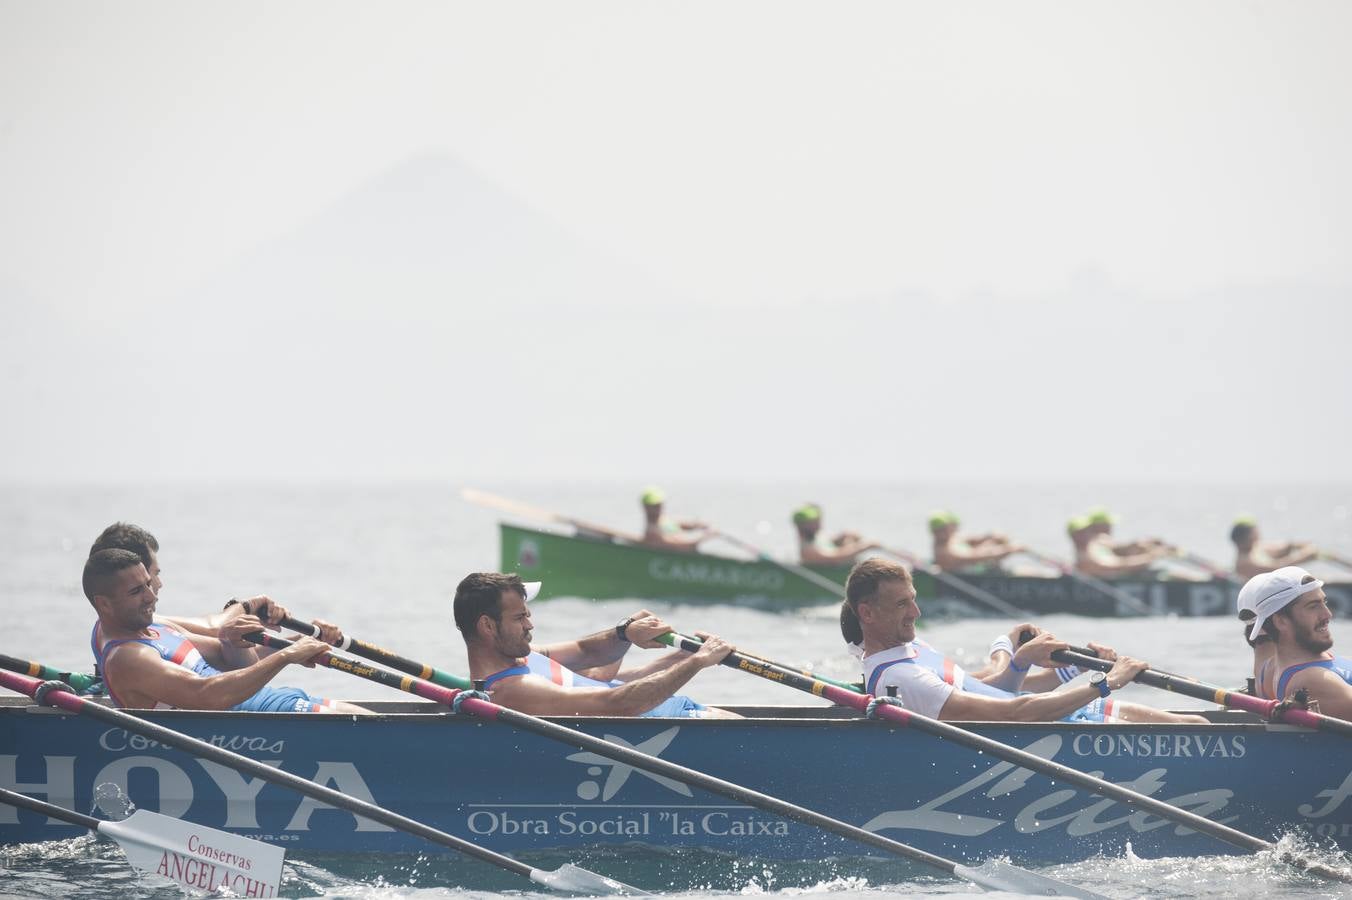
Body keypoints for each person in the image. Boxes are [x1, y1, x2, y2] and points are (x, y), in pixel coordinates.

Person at [839, 557, 1205, 723]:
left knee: (1200, 727)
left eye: (914, 599)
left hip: (1067, 715)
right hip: (1062, 729)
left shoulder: (913, 652)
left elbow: (996, 688)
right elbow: (1015, 713)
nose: (916, 613)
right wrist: (1108, 682)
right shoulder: (903, 679)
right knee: (1199, 731)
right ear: (867, 614)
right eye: (903, 604)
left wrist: (1072, 668)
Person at [84, 549, 367, 713]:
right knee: (377, 730)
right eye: (136, 591)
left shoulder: (155, 627)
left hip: (272, 702)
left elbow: (225, 654)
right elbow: (207, 694)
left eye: (149, 583)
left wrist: (301, 642)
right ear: (104, 604)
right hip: (257, 728)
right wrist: (287, 656)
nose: (151, 596)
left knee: (370, 718)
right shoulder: (127, 658)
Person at [454, 571, 738, 717]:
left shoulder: (524, 658)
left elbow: (589, 655)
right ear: (488, 626)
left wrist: (626, 632)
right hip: (664, 725)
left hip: (669, 709)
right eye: (519, 618)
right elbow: (619, 704)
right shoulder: (514, 691)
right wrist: (697, 663)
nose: (530, 625)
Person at [88, 521, 344, 649]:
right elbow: (215, 631)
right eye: (153, 574)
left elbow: (218, 636)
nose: (158, 584)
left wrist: (305, 640)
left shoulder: (141, 627)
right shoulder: (129, 637)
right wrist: (249, 606)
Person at [1240, 566, 1352, 716]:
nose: (1328, 614)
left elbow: (1262, 643)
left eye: (1324, 602)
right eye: (1313, 607)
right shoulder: (1311, 679)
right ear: (1281, 621)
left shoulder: (1269, 667)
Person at [1069, 515, 1167, 579]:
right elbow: (1116, 566)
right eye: (1088, 530)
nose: (1091, 533)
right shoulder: (1088, 554)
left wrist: (1148, 545)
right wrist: (1149, 557)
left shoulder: (1096, 546)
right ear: (1077, 535)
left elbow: (1123, 548)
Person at [928, 511, 1024, 573]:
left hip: (985, 572)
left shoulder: (952, 540)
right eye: (943, 529)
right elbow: (978, 556)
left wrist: (990, 537)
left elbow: (974, 540)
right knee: (1027, 572)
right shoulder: (946, 552)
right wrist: (1010, 549)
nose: (955, 529)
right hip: (978, 577)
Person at [1231, 516, 1318, 580]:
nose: (1257, 535)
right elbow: (1278, 568)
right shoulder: (1244, 562)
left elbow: (1283, 548)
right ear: (1243, 539)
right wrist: (1305, 556)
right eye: (1254, 533)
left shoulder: (1256, 548)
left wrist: (1295, 546)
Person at [793, 504, 878, 565]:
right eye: (813, 522)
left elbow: (834, 540)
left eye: (818, 520)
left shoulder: (819, 538)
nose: (818, 524)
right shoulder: (807, 550)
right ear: (803, 526)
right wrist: (866, 546)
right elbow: (835, 558)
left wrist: (846, 536)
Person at [638, 487, 712, 552]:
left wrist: (697, 525)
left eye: (660, 504)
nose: (659, 508)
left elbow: (681, 525)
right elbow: (687, 546)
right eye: (655, 505)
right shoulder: (652, 533)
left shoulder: (664, 521)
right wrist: (706, 537)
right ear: (645, 507)